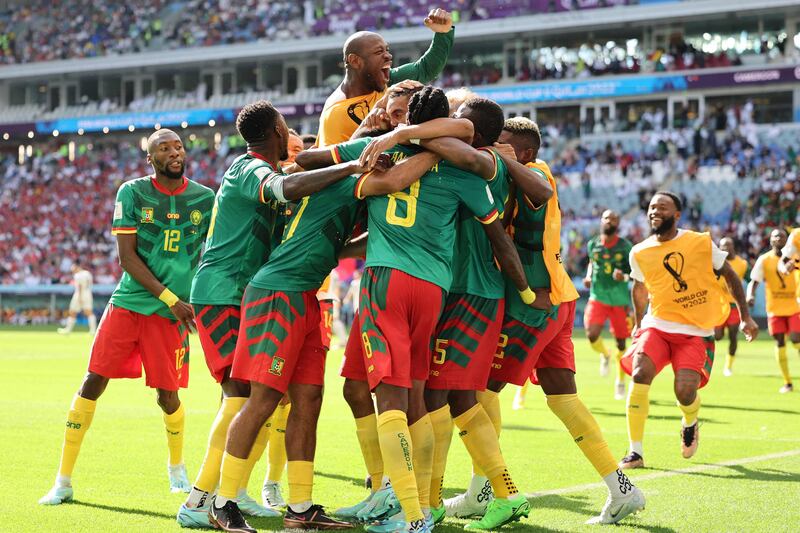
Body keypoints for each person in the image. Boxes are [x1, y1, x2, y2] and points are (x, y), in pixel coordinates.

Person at [207, 128, 443, 533]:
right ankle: (223, 501)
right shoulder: (351, 180)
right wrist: (433, 151)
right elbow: (396, 180)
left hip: (305, 297)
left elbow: (354, 240)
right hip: (277, 291)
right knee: (262, 401)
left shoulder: (348, 185)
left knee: (309, 399)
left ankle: (299, 507)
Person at [178, 100, 376, 526]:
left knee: (289, 396)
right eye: (287, 128)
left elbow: (302, 186)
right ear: (276, 128)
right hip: (223, 290)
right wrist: (353, 165)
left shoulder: (277, 172)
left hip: (254, 288)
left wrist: (362, 140)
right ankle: (203, 500)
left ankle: (292, 507)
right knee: (244, 396)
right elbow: (287, 188)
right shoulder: (248, 168)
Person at [454, 117, 646, 525]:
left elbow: (536, 192)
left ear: (525, 152)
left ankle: (482, 491)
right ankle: (621, 488)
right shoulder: (519, 175)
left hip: (533, 302)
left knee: (480, 389)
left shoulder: (536, 173)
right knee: (563, 397)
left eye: (504, 143)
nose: (496, 147)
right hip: (558, 300)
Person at [39, 129, 215, 505]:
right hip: (130, 304)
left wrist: (197, 298)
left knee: (168, 396)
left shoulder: (205, 198)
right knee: (92, 381)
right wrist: (171, 298)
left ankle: (176, 468)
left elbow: (208, 255)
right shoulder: (132, 192)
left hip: (170, 316)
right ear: (149, 158)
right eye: (163, 148)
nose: (173, 152)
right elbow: (127, 258)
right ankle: (63, 480)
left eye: (178, 146)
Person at [417, 100, 553, 530]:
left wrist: (404, 132)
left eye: (459, 121)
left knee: (437, 396)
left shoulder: (484, 163)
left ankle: (458, 497)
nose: (452, 125)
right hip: (464, 288)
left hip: (470, 290)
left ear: (474, 133)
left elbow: (533, 200)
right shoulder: (483, 161)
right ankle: (450, 498)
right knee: (455, 398)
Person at [619, 192, 758, 470]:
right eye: (651, 207)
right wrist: (637, 323)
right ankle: (635, 452)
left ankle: (690, 421)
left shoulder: (699, 242)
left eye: (662, 207)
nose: (654, 211)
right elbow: (639, 287)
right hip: (657, 325)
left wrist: (745, 316)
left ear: (677, 214)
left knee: (684, 391)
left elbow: (730, 275)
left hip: (695, 330)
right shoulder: (639, 252)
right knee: (639, 373)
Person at [316, 8, 454, 147]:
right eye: (379, 52)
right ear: (355, 61)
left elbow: (425, 69)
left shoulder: (388, 80)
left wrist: (442, 34)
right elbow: (332, 161)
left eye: (387, 50)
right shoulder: (335, 113)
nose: (388, 56)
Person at [583, 210, 634, 399]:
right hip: (598, 296)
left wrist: (625, 276)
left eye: (614, 218)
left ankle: (620, 381)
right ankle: (605, 354)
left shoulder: (625, 246)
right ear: (601, 221)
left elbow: (636, 272)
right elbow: (591, 262)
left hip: (619, 300)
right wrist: (588, 276)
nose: (609, 221)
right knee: (592, 335)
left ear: (618, 222)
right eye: (606, 218)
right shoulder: (593, 244)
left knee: (621, 342)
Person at [747, 229, 799, 393]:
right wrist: (750, 295)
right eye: (775, 236)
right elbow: (754, 281)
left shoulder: (795, 257)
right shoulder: (764, 259)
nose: (779, 238)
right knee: (780, 342)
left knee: (796, 339)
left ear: (788, 240)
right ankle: (787, 382)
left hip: (794, 306)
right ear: (770, 240)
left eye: (782, 236)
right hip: (774, 309)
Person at [714, 237, 749, 376]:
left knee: (733, 335)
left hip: (734, 305)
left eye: (728, 246)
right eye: (722, 247)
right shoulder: (715, 262)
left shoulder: (742, 264)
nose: (725, 249)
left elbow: (750, 279)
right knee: (717, 336)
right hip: (718, 305)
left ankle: (728, 367)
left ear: (733, 246)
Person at [57, 263, 97, 335]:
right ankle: (93, 330)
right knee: (89, 312)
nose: (73, 271)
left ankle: (68, 330)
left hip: (80, 294)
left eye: (73, 269)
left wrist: (79, 297)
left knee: (73, 312)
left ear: (77, 267)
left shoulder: (78, 275)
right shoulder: (88, 273)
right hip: (88, 293)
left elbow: (80, 286)